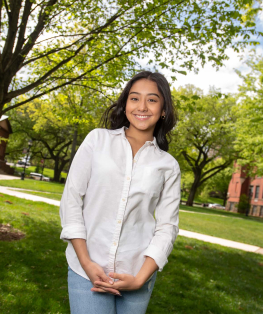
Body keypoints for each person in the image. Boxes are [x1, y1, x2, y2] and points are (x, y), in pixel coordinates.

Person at [59, 71, 181, 314]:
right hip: (86, 270)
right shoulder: (97, 140)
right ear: (125, 104)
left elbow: (167, 227)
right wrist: (86, 263)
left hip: (137, 274)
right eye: (134, 98)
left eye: (152, 100)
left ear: (164, 109)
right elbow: (71, 200)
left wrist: (139, 279)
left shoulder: (168, 165)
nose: (142, 107)